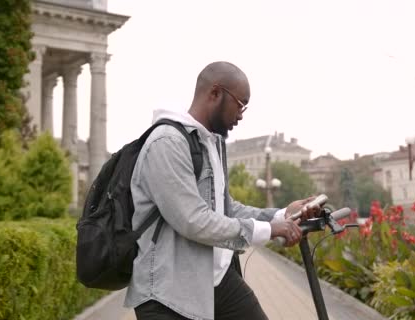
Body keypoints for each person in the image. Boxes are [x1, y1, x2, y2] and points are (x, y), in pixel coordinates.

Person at [125, 61, 321, 320]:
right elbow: (194, 221)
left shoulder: (209, 143)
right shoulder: (168, 143)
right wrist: (269, 230)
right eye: (240, 104)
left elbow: (225, 208)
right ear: (215, 93)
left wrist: (282, 215)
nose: (241, 115)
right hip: (168, 293)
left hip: (214, 280)